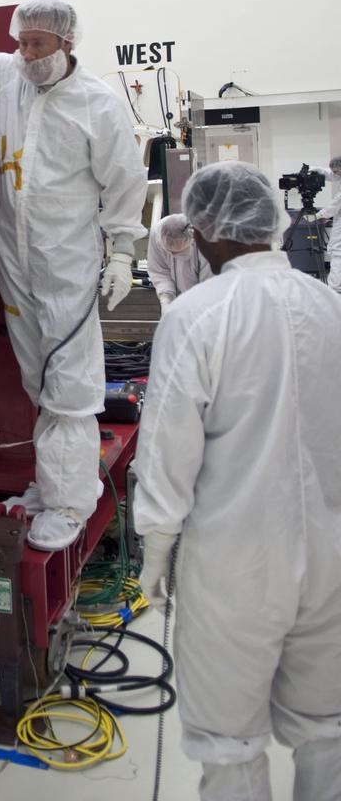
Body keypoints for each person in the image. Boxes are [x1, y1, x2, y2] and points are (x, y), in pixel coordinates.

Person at [133, 161, 341, 801]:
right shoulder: (331, 305)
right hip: (334, 558)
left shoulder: (196, 316)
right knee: (330, 731)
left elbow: (169, 448)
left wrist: (157, 547)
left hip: (233, 567)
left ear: (202, 230)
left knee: (229, 745)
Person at [0, 0, 146, 550]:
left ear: (66, 43)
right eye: (21, 42)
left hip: (65, 262)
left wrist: (122, 252)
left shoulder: (96, 103)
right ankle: (51, 488)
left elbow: (124, 182)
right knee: (39, 383)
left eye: (38, 45)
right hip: (14, 261)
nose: (26, 54)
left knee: (69, 387)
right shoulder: (6, 77)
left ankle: (73, 503)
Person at [146, 212, 212, 312]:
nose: (172, 255)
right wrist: (166, 298)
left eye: (178, 252)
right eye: (169, 251)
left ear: (192, 241)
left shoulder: (207, 241)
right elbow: (160, 271)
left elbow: (209, 283)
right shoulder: (156, 234)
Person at [316, 156, 341, 293]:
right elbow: (330, 174)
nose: (335, 174)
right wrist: (312, 170)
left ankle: (334, 289)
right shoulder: (339, 174)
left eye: (337, 171)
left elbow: (335, 204)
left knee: (337, 251)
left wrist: (318, 215)